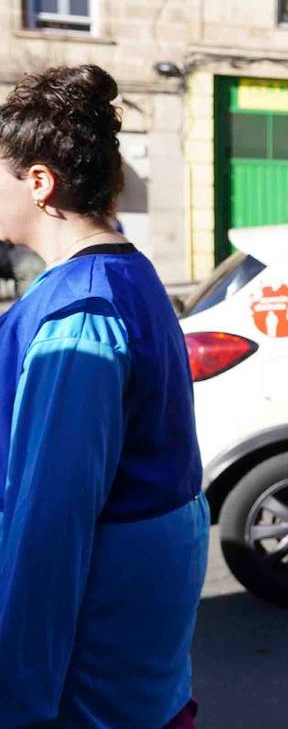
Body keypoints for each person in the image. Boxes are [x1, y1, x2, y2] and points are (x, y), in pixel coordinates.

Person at [0, 65, 208, 727]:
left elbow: (51, 524)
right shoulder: (126, 271)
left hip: (93, 667)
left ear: (39, 182)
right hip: (135, 658)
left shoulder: (80, 311)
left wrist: (18, 700)